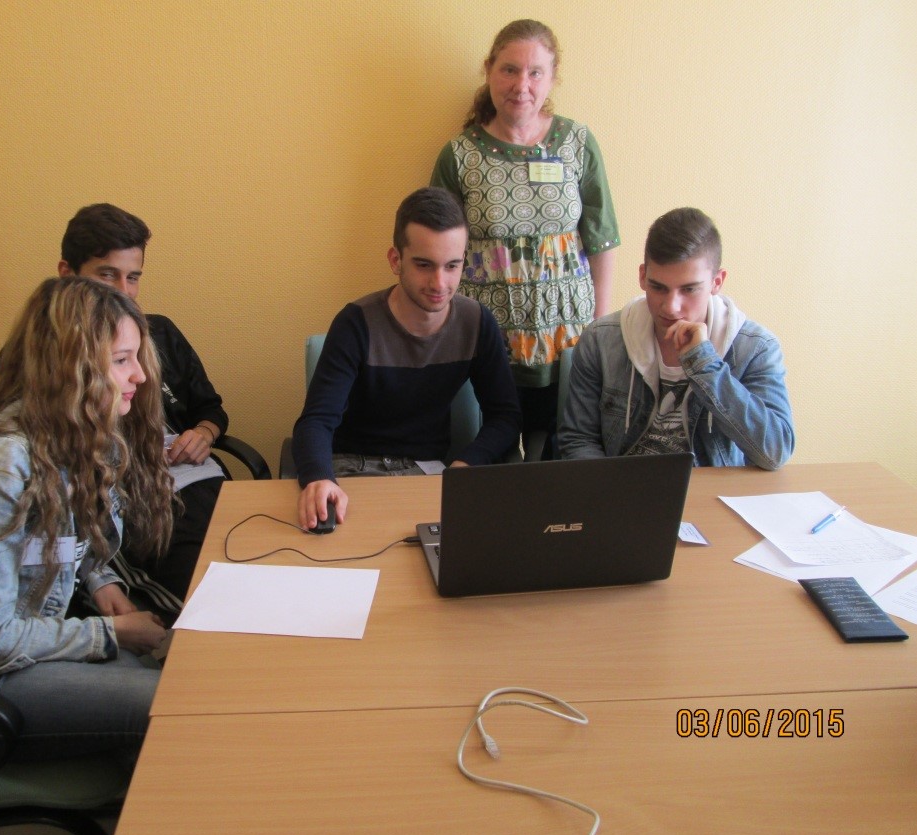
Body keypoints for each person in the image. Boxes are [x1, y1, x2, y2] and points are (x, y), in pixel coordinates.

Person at [0, 276, 176, 765]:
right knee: (171, 708)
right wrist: (108, 635)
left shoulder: (78, 434)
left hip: (26, 647)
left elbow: (52, 541)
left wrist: (97, 579)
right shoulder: (2, 466)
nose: (139, 376)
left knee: (179, 671)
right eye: (121, 361)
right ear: (71, 370)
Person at [430, 19, 620, 455]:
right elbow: (439, 249)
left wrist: (598, 329)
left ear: (552, 78)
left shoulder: (577, 143)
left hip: (568, 340)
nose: (522, 84)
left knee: (560, 460)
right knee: (492, 465)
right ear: (489, 70)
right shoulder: (459, 155)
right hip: (490, 340)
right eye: (510, 69)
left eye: (536, 72)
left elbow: (602, 240)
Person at [291, 187, 521, 531]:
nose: (440, 283)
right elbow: (316, 421)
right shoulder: (356, 323)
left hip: (428, 473)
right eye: (424, 265)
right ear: (396, 260)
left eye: (452, 266)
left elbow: (505, 416)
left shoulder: (476, 322)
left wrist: (465, 466)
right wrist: (319, 477)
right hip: (350, 471)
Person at [58, 203, 228, 606]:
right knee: (211, 597)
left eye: (132, 277)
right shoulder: (48, 360)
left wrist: (203, 433)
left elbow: (213, 408)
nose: (122, 291)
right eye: (106, 274)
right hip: (135, 503)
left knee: (265, 561)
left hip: (198, 479)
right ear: (68, 275)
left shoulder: (161, 332)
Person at [558, 207, 794, 469]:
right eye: (658, 287)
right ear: (642, 276)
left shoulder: (755, 348)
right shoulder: (600, 340)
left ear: (717, 282)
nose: (671, 307)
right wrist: (610, 495)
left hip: (708, 496)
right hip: (622, 490)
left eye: (689, 289)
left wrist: (705, 365)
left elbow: (774, 453)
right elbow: (578, 440)